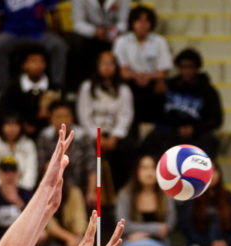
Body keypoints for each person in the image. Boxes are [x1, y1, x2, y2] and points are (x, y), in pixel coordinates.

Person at [114, 154, 182, 246]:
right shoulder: (126, 195)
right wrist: (155, 229)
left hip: (160, 245)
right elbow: (123, 226)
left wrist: (144, 234)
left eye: (152, 168)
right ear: (137, 171)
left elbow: (168, 226)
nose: (149, 172)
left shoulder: (165, 195)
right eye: (144, 168)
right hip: (128, 245)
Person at [144, 48, 223, 160]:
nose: (186, 71)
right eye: (183, 67)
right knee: (153, 138)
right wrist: (157, 95)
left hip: (197, 133)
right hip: (172, 131)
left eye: (190, 67)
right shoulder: (169, 86)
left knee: (210, 141)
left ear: (197, 68)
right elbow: (157, 114)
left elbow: (216, 120)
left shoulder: (208, 91)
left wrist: (194, 129)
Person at [76, 50, 134, 187]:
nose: (107, 67)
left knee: (128, 149)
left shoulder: (124, 89)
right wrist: (97, 137)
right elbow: (84, 115)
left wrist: (115, 136)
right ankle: (88, 190)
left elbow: (126, 115)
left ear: (116, 67)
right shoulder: (87, 87)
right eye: (103, 63)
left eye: (111, 64)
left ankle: (120, 190)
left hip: (115, 135)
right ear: (97, 66)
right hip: (92, 134)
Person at [0, 0, 67, 93]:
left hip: (39, 32)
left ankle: (56, 87)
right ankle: (3, 89)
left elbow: (54, 15)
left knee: (58, 45)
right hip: (12, 33)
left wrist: (61, 36)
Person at [113, 5, 172, 125]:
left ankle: (155, 130)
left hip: (152, 82)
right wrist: (136, 76)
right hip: (130, 82)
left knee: (162, 87)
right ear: (132, 22)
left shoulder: (160, 41)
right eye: (139, 20)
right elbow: (122, 71)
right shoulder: (121, 41)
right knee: (124, 90)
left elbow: (163, 71)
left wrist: (148, 77)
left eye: (146, 21)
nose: (143, 24)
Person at [0, 44, 61, 138]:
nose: (38, 65)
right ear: (23, 65)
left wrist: (49, 114)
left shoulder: (54, 88)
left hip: (50, 137)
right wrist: (23, 124)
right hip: (20, 136)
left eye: (41, 61)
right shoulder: (12, 89)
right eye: (33, 61)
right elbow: (7, 113)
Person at [0, 114, 37, 192]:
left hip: (24, 190)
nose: (12, 128)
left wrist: (22, 190)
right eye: (8, 124)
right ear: (1, 126)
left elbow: (31, 172)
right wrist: (4, 191)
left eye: (15, 124)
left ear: (20, 126)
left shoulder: (28, 145)